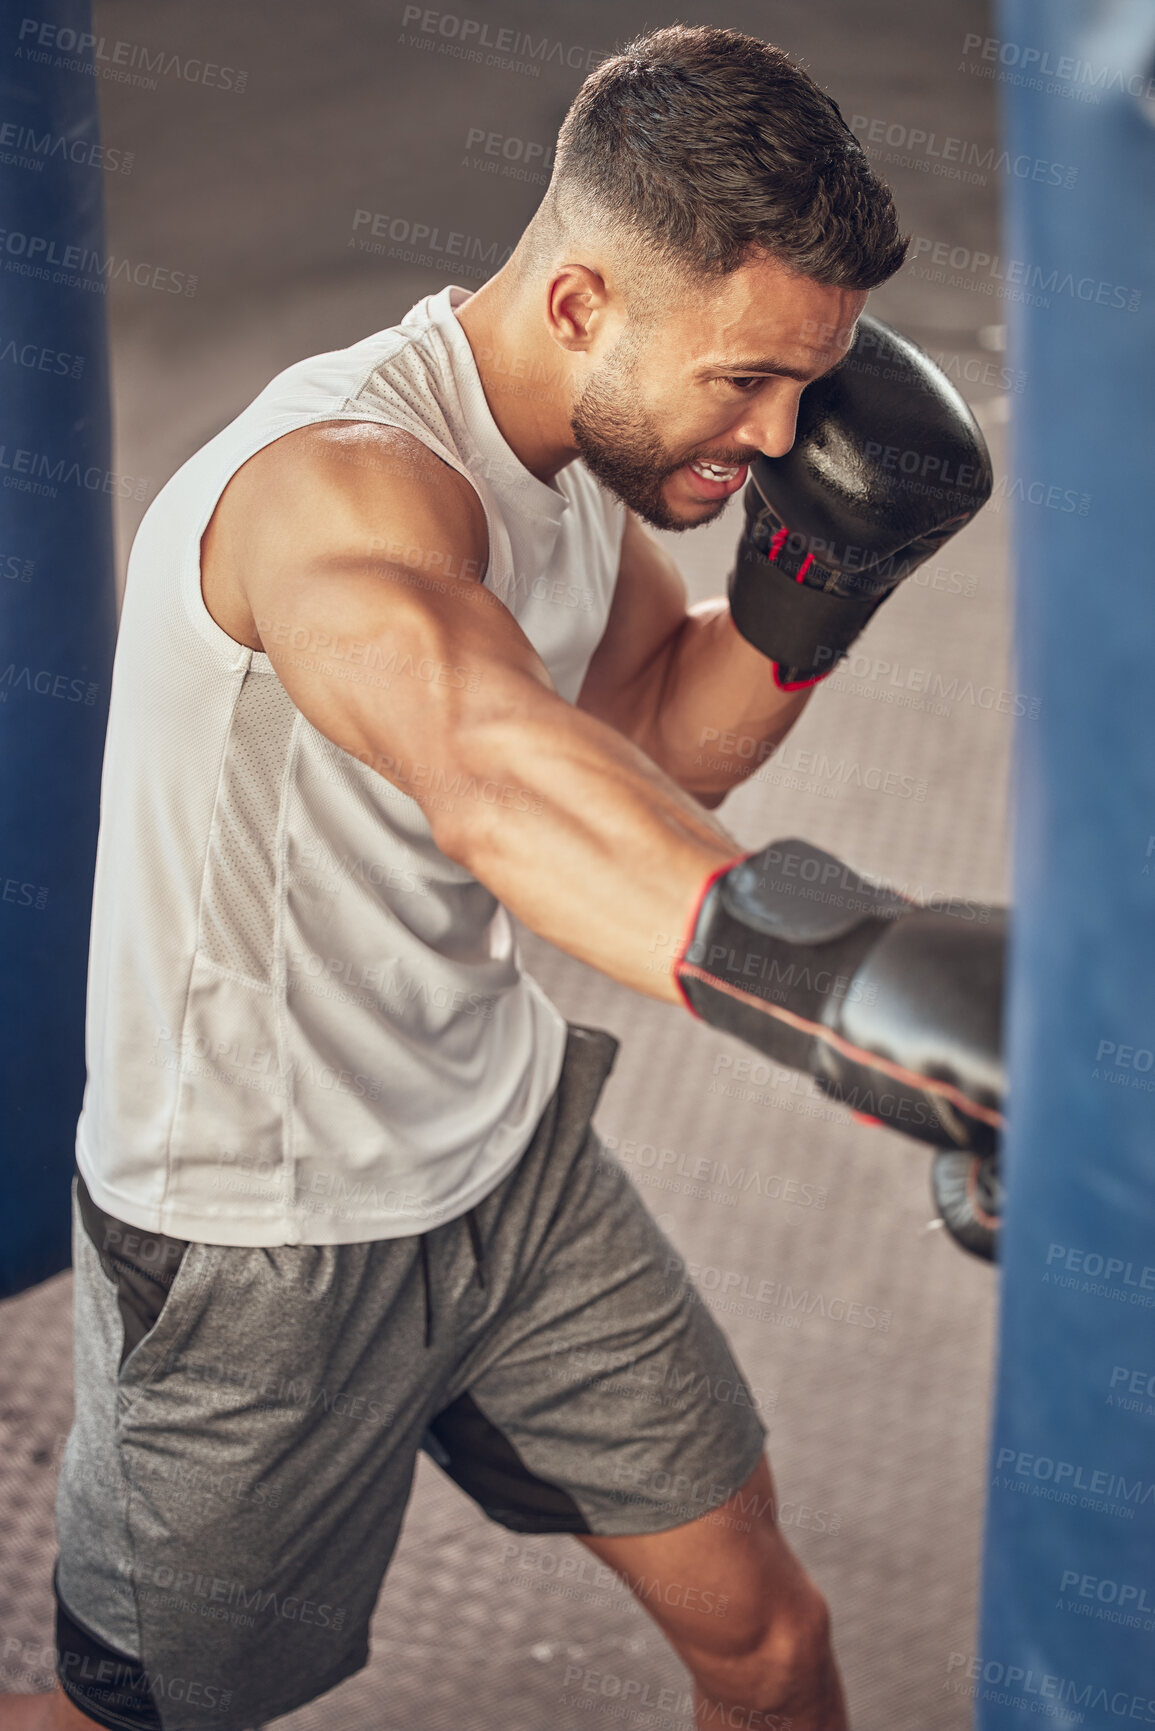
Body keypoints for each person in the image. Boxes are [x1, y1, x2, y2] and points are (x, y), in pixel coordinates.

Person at [3, 25, 993, 1731]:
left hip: (505, 1159)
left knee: (767, 1642)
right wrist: (832, 979)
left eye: (805, 393)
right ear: (581, 304)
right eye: (744, 380)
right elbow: (483, 765)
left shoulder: (578, 465)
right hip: (258, 1235)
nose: (779, 433)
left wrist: (814, 587)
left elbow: (640, 740)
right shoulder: (338, 492)